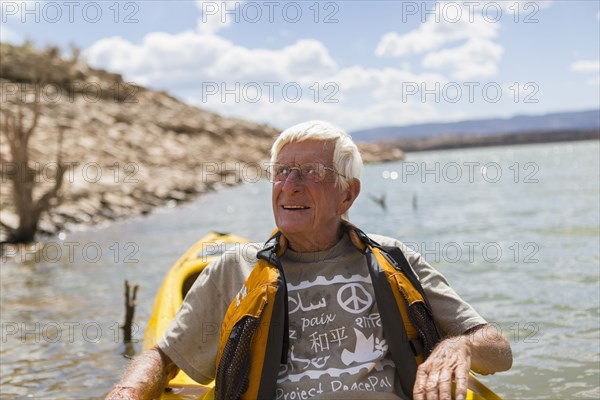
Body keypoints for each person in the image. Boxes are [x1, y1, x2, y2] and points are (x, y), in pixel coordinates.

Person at [107, 120, 512, 400]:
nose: (290, 185)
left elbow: (498, 350)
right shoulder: (236, 268)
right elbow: (163, 357)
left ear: (347, 194)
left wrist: (458, 346)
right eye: (281, 172)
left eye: (310, 172)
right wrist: (127, 391)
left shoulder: (395, 258)